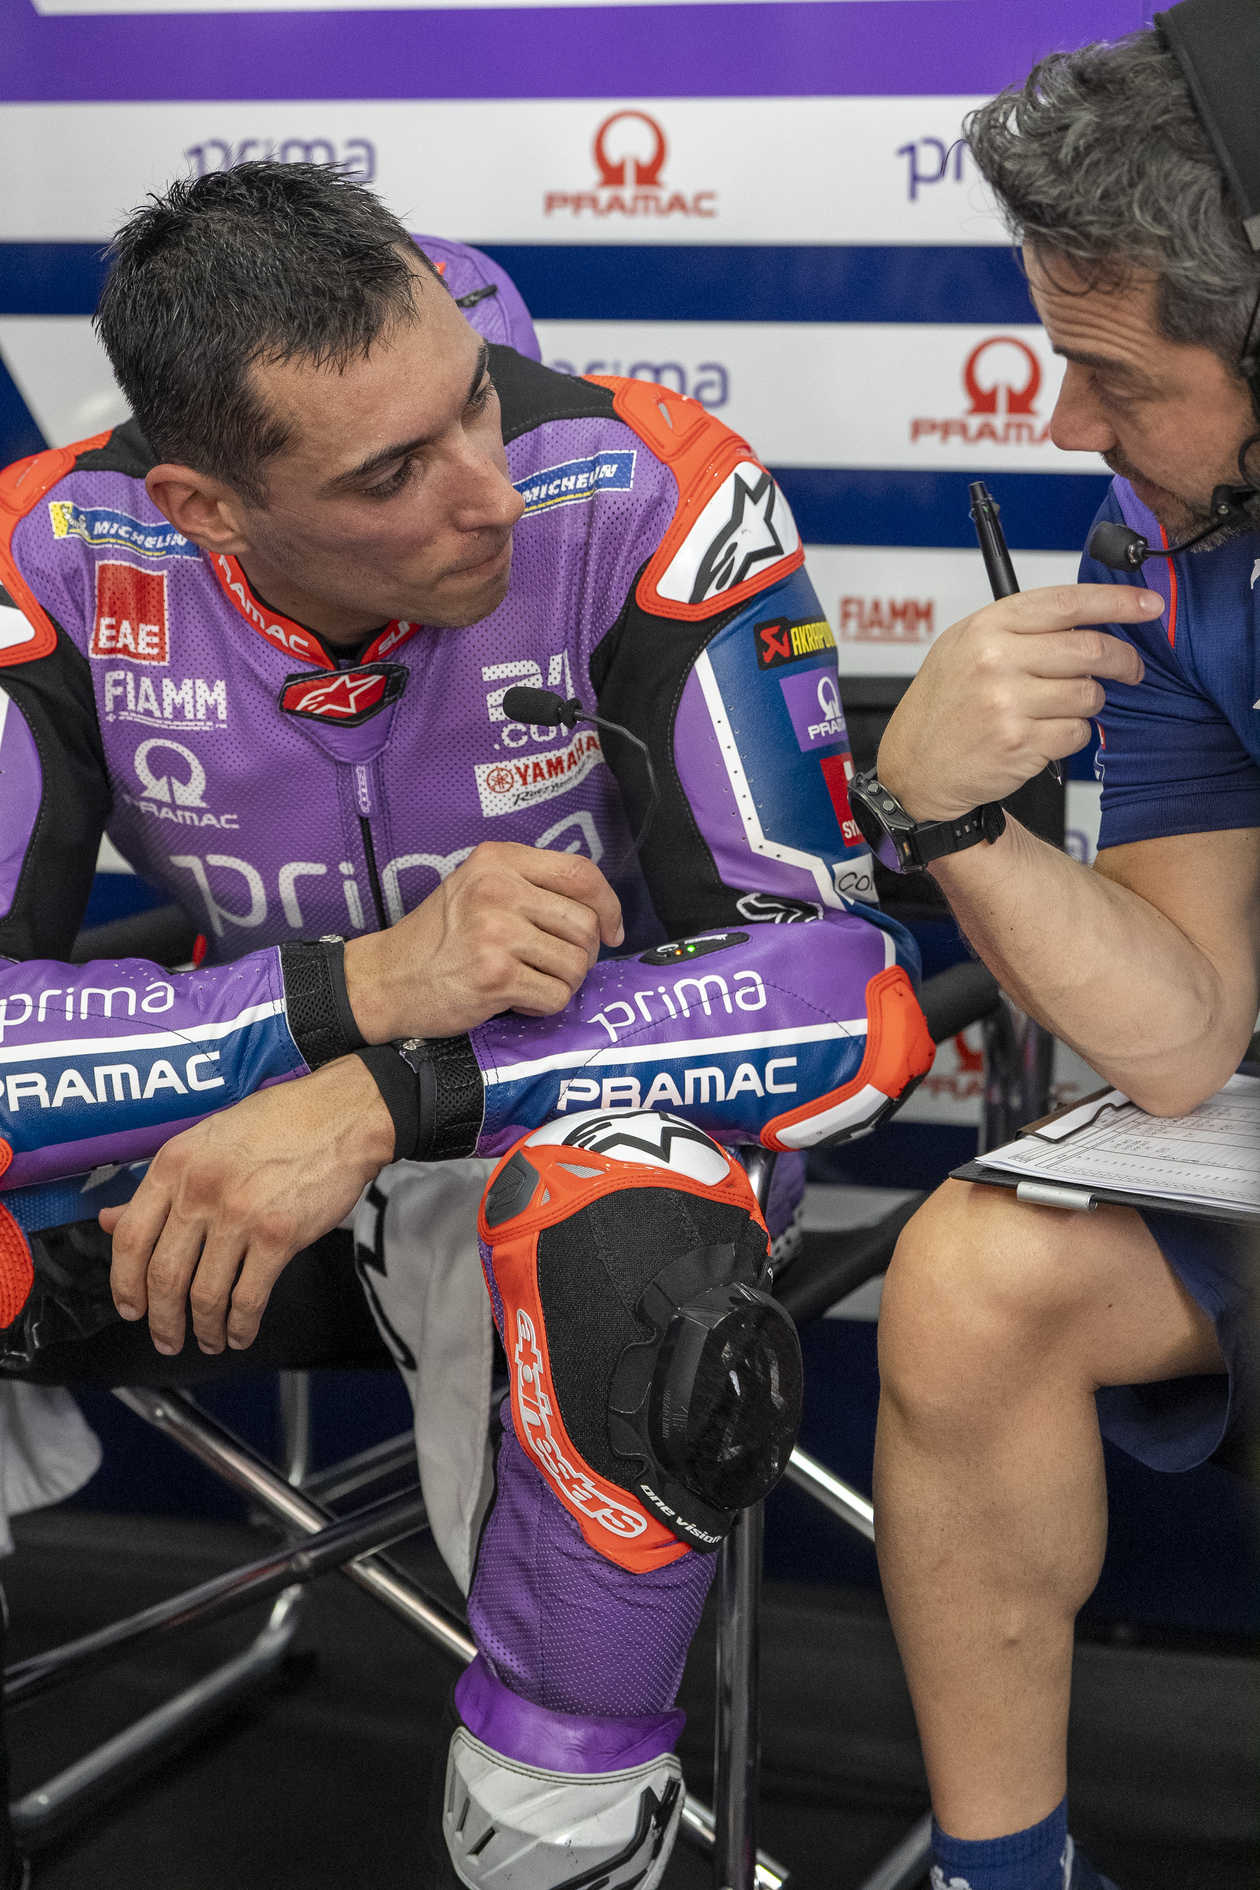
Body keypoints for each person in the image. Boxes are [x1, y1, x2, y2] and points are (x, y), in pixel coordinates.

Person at [0, 163, 934, 1886]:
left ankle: (560, 1839)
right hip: (221, 1134)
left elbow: (840, 993)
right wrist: (352, 994)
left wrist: (389, 1089)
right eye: (390, 474)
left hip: (556, 1119)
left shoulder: (651, 490)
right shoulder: (51, 551)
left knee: (624, 1225)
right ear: (208, 508)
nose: (486, 492)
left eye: (478, 405)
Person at [854, 22, 1260, 1890]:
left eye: (1119, 375)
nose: (1068, 423)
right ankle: (1003, 1875)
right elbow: (1181, 1037)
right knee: (971, 1276)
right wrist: (950, 816)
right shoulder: (1164, 544)